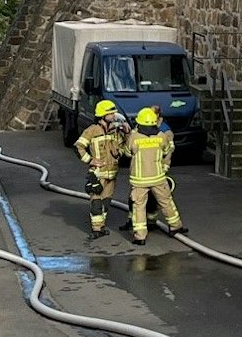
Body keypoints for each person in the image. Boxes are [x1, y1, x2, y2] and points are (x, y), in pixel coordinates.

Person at [125, 107, 186, 244]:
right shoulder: (161, 136)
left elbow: (127, 153)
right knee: (166, 202)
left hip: (139, 180)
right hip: (158, 177)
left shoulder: (134, 137)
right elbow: (167, 150)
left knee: (139, 207)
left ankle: (140, 237)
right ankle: (176, 227)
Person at [74, 101, 131, 241]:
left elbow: (128, 150)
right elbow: (78, 147)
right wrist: (89, 160)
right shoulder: (92, 130)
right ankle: (96, 229)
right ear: (102, 115)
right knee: (96, 203)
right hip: (98, 174)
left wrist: (127, 133)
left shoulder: (116, 131)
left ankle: (101, 226)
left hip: (112, 173)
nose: (113, 115)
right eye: (110, 113)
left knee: (106, 202)